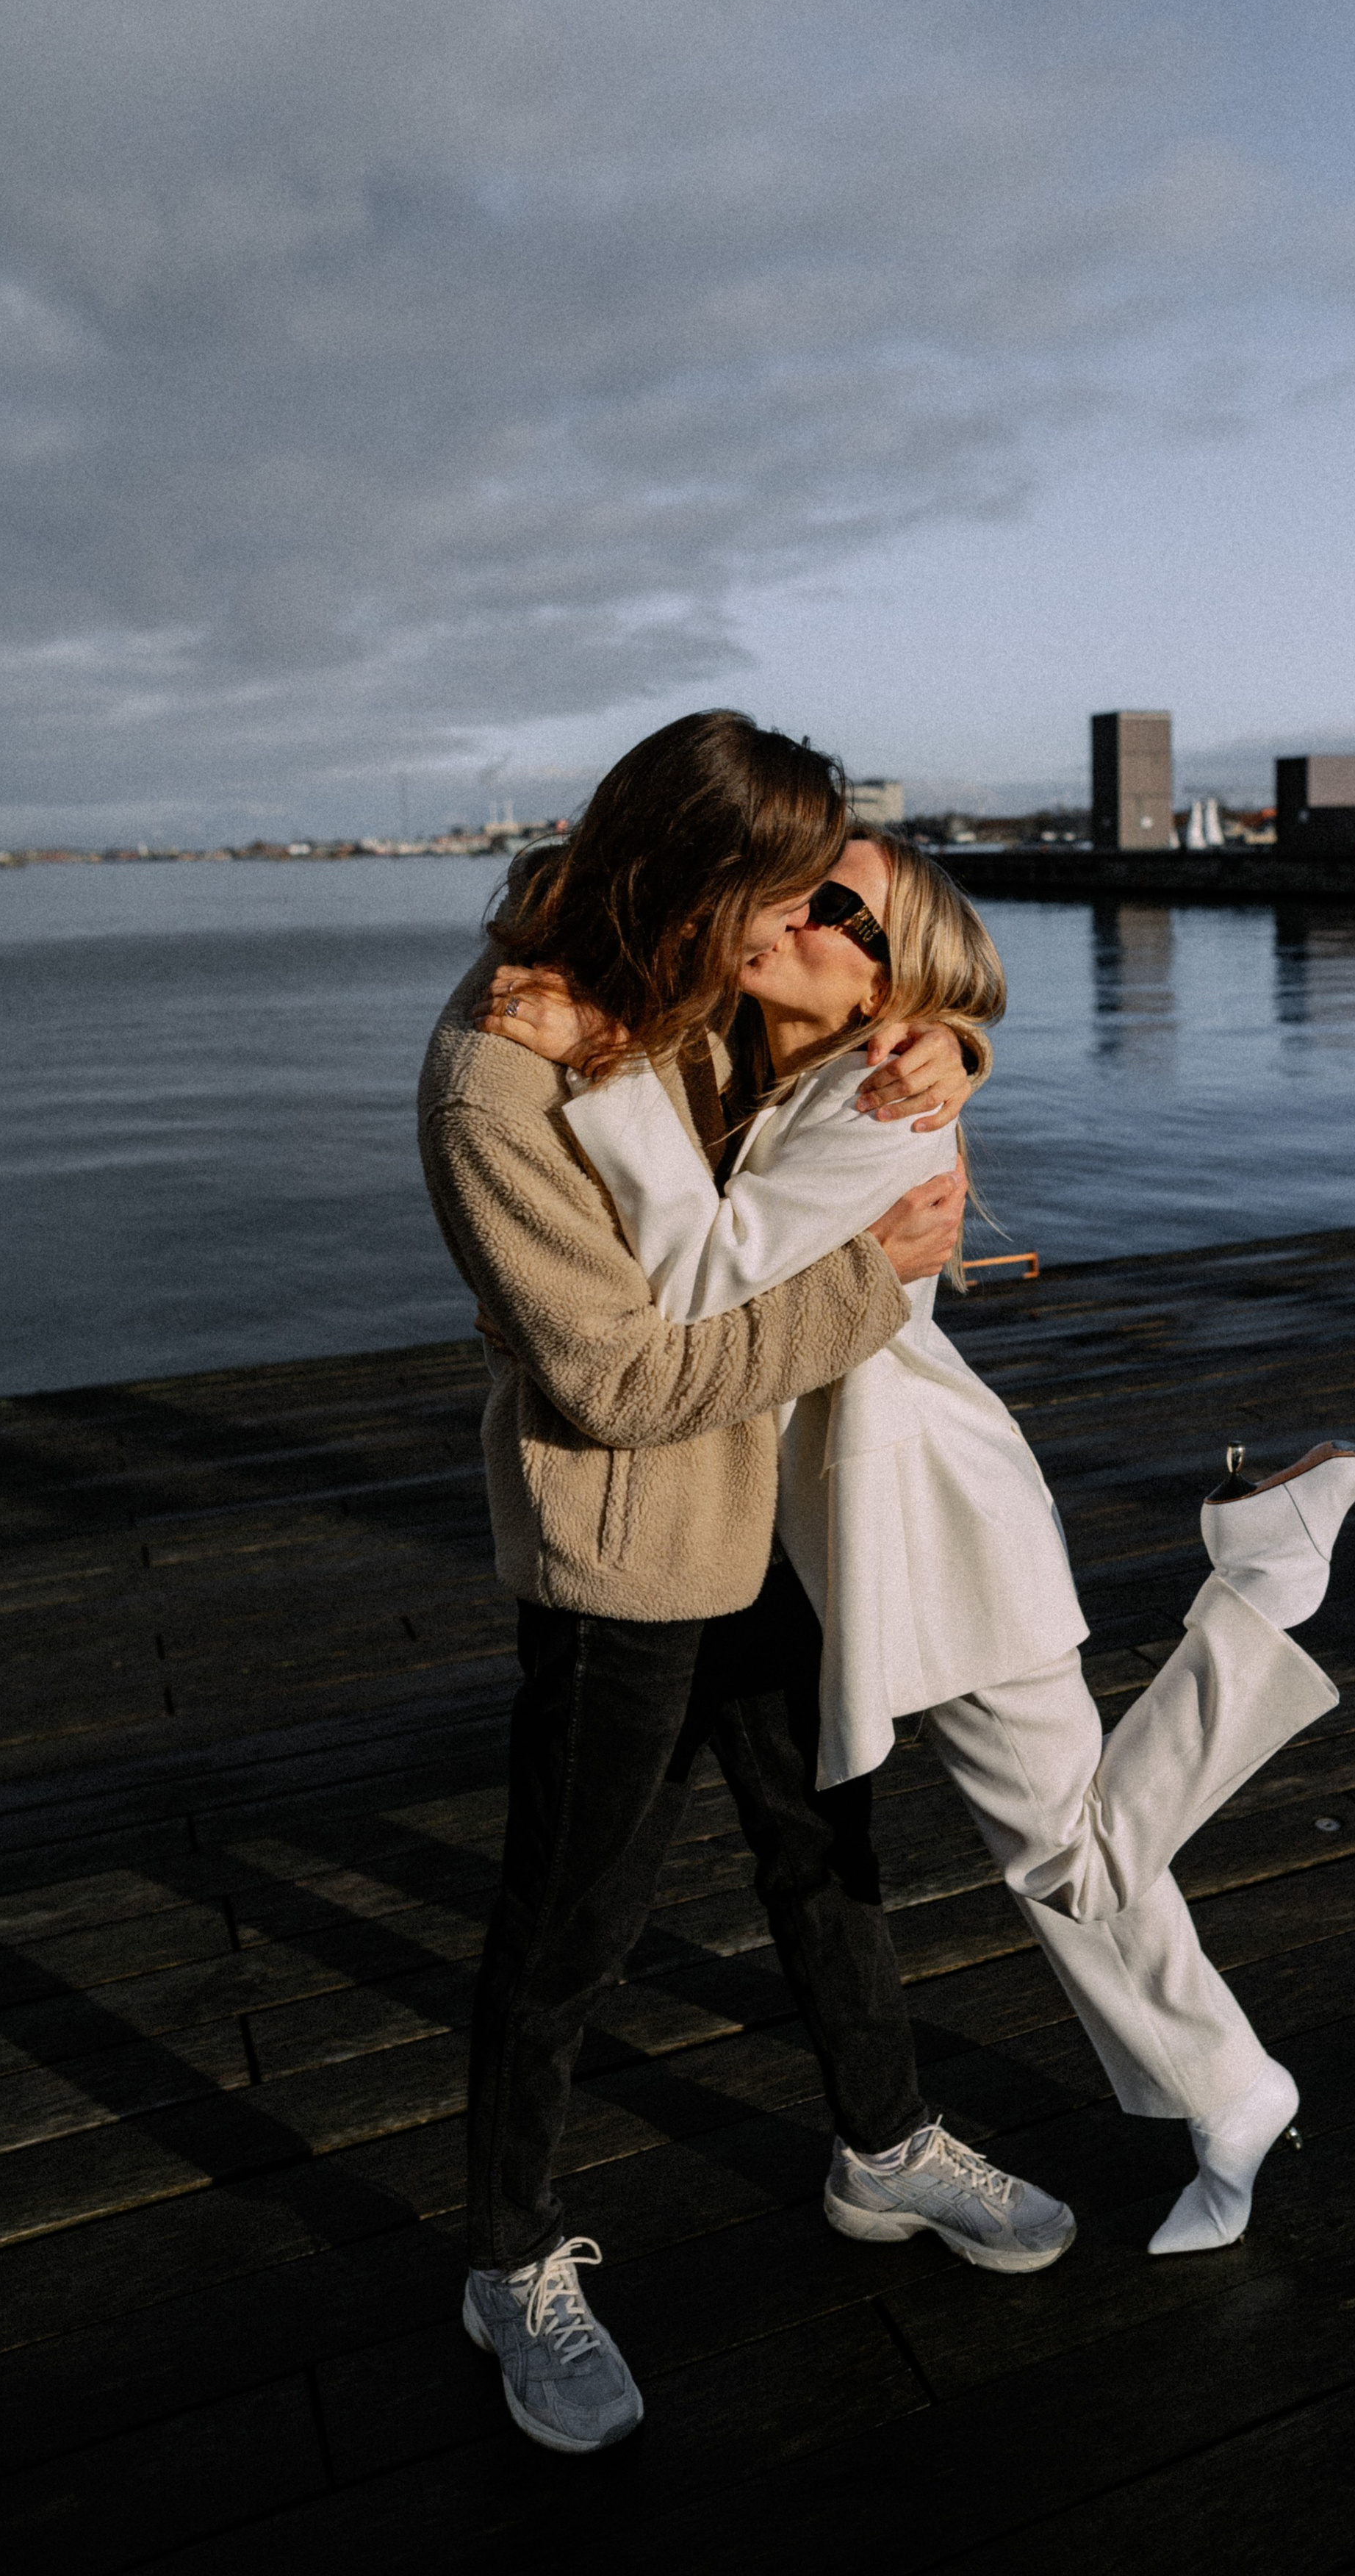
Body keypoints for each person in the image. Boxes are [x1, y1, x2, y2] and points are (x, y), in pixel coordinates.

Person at [481, 826, 1355, 2269]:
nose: (785, 908)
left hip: (928, 1519)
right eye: (792, 885)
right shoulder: (810, 1076)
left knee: (1070, 1850)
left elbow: (692, 1274)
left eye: (832, 907)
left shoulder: (869, 1100)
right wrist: (950, 1048)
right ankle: (1231, 2087)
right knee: (1066, 1852)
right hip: (865, 1523)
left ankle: (1264, 1574)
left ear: (886, 979)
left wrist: (626, 1066)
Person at [418, 715, 1077, 2464]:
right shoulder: (495, 1074)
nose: (782, 925)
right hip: (625, 1546)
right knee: (571, 1917)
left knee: (826, 1848)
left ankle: (882, 2142)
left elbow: (821, 1085)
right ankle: (503, 2260)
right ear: (684, 874)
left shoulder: (676, 985)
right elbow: (620, 1383)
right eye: (769, 893)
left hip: (772, 1516)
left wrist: (943, 1051)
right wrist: (873, 1281)